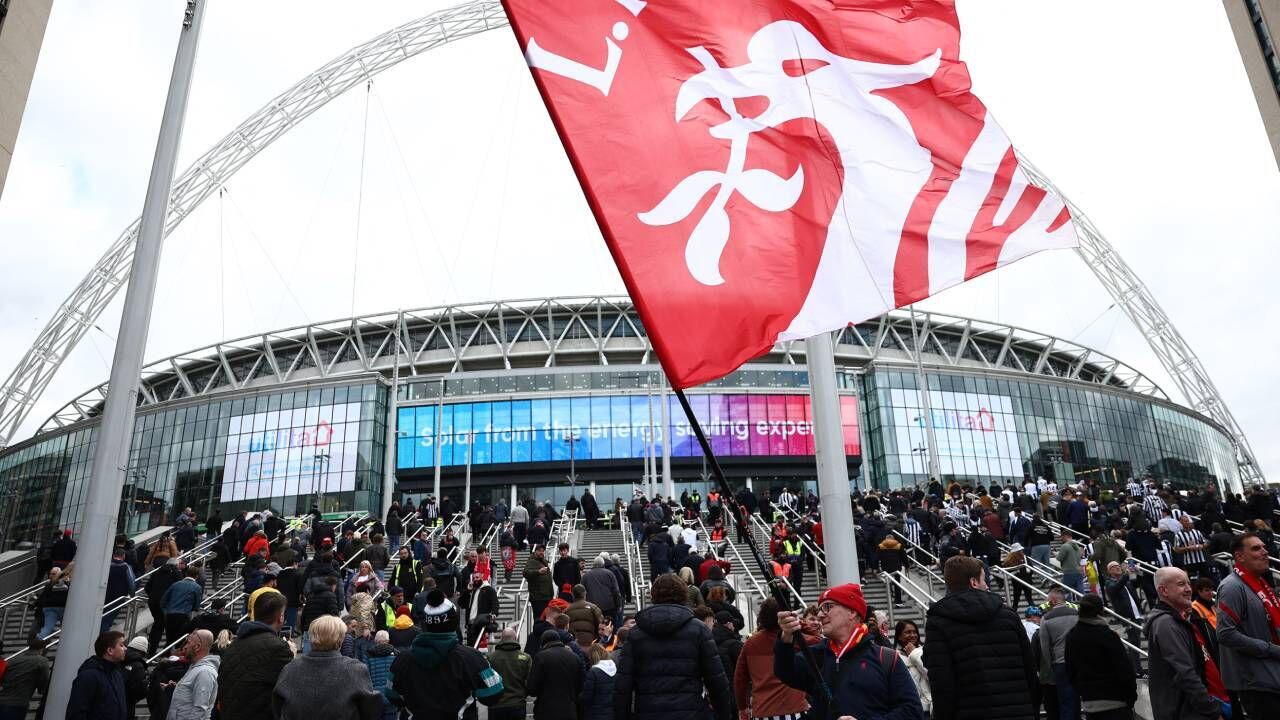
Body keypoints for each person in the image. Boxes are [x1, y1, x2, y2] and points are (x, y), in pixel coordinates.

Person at [776, 583, 922, 719]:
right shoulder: (817, 654)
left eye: (827, 607)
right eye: (820, 609)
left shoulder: (886, 658)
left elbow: (912, 710)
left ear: (852, 611)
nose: (820, 615)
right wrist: (786, 637)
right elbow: (785, 672)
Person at [924, 556, 1035, 720]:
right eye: (984, 579)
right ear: (974, 582)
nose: (987, 585)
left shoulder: (939, 623)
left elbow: (942, 684)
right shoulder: (1009, 616)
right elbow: (1030, 670)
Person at [615, 573, 733, 719]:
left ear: (653, 595)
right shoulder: (699, 630)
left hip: (649, 711)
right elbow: (717, 681)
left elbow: (622, 687)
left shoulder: (635, 634)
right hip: (691, 711)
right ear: (683, 594)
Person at [384, 589, 505, 718]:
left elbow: (391, 694)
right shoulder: (470, 658)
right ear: (454, 622)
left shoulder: (403, 659)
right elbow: (494, 692)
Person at [1144, 567, 1223, 720]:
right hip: (1185, 712)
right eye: (1181, 584)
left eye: (1188, 583)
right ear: (1164, 590)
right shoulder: (1166, 623)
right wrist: (1211, 710)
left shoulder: (1179, 620)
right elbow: (1185, 673)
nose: (1188, 589)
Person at [1215, 531, 1280, 715]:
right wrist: (1270, 649)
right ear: (1239, 556)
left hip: (1272, 678)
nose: (1265, 551)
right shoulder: (1232, 587)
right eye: (1256, 548)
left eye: (1264, 547)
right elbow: (1225, 633)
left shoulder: (1260, 584)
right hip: (1258, 685)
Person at [273, 614, 381, 720]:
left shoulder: (290, 668)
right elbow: (370, 710)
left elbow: (278, 708)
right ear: (340, 639)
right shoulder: (355, 669)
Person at [217, 592, 295, 720]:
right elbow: (291, 689)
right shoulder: (278, 647)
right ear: (280, 617)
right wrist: (291, 655)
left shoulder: (234, 645)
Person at [733, 597, 809, 720]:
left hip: (763, 710)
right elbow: (819, 638)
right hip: (795, 709)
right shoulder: (797, 640)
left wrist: (742, 707)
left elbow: (740, 679)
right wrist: (802, 624)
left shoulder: (751, 643)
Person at [1064, 594, 1137, 720]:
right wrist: (1131, 697)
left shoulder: (1072, 636)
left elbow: (1070, 671)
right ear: (1101, 611)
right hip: (1116, 703)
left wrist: (1083, 691)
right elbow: (1125, 670)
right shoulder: (1108, 635)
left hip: (1090, 703)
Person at [1039, 584, 1081, 720]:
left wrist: (1051, 665)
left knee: (1065, 701)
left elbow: (1044, 647)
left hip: (1060, 663)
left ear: (1053, 600)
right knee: (1076, 700)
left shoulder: (1046, 618)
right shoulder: (1077, 614)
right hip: (1078, 662)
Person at [67, 630, 128, 720]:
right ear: (110, 650)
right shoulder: (88, 676)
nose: (125, 648)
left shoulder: (117, 675)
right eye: (121, 645)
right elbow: (76, 713)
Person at [527, 629, 586, 719]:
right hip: (569, 711)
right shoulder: (575, 658)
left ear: (544, 643)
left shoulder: (541, 657)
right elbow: (581, 686)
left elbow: (532, 689)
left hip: (546, 711)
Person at [165, 629, 218, 720]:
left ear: (197, 647)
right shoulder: (195, 668)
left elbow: (199, 710)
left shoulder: (204, 672)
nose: (185, 647)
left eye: (188, 643)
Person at [487, 627, 532, 720]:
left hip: (496, 705)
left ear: (501, 639)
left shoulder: (491, 657)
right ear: (515, 638)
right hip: (517, 703)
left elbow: (486, 681)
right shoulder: (525, 657)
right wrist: (523, 694)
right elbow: (530, 682)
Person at [0, 637, 50, 720]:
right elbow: (43, 681)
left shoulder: (13, 660)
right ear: (42, 649)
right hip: (17, 704)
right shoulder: (41, 661)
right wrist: (42, 690)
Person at [895, 620, 933, 718]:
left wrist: (914, 653)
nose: (912, 635)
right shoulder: (895, 657)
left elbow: (932, 675)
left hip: (932, 710)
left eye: (914, 632)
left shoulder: (926, 651)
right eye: (908, 632)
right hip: (911, 711)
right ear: (899, 636)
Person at [160, 565, 205, 649]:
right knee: (181, 640)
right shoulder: (197, 587)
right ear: (197, 576)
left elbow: (163, 601)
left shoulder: (175, 584)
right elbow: (196, 606)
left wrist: (166, 611)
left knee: (170, 638)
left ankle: (164, 656)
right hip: (183, 616)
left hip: (170, 615)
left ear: (186, 573)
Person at [363, 631, 398, 720]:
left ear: (375, 641)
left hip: (374, 697)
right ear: (388, 640)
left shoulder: (368, 655)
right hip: (391, 696)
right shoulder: (397, 654)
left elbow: (364, 676)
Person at [581, 642, 617, 720]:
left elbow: (587, 696)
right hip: (610, 713)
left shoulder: (593, 672)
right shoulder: (614, 669)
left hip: (594, 713)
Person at [525, 545, 554, 621]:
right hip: (538, 598)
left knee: (546, 619)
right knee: (539, 619)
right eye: (539, 550)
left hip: (546, 597)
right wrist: (538, 572)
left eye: (543, 551)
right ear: (535, 551)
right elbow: (526, 573)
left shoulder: (543, 561)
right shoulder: (531, 561)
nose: (541, 552)